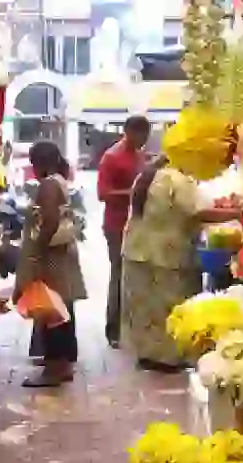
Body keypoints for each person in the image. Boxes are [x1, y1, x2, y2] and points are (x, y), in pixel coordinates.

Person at [121, 156, 242, 373]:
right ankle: (167, 359)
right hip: (167, 254)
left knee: (145, 308)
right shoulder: (178, 179)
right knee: (171, 306)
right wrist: (238, 213)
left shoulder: (149, 175)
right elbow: (199, 212)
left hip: (137, 249)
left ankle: (148, 355)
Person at [14, 142, 87, 387]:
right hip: (62, 255)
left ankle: (55, 367)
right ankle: (62, 365)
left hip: (51, 257)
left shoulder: (48, 185)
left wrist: (37, 253)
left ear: (39, 163)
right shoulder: (61, 181)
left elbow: (50, 221)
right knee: (61, 309)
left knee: (50, 310)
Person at [97, 115, 151, 348]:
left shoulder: (141, 156)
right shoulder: (112, 157)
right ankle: (113, 329)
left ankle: (132, 326)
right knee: (119, 274)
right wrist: (133, 192)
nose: (144, 141)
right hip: (116, 225)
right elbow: (103, 194)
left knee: (135, 275)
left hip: (137, 224)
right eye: (141, 136)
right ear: (129, 132)